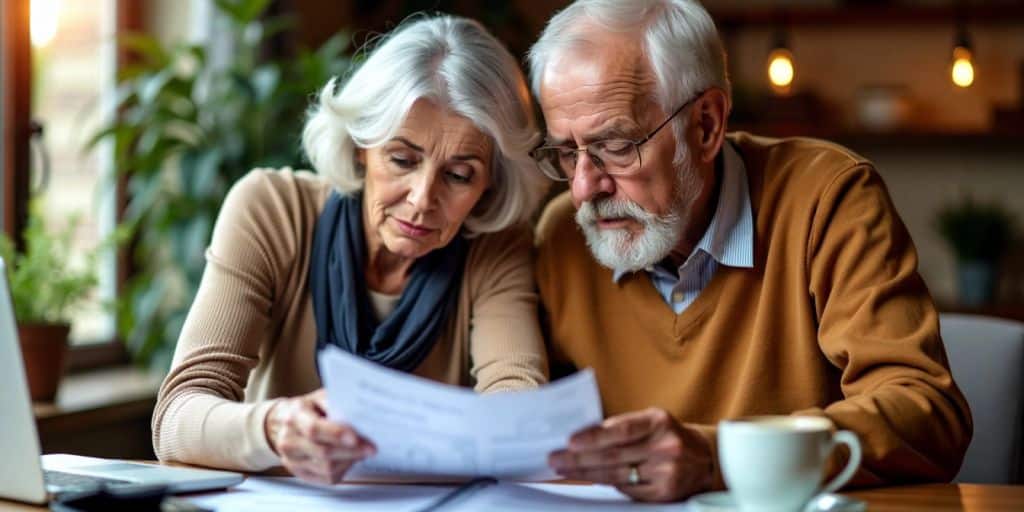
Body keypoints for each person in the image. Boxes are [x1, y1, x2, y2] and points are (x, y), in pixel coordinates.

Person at [528, 0, 972, 502]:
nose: (584, 188)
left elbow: (928, 415)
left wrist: (716, 458)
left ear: (706, 126)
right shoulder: (562, 236)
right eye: (566, 152)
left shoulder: (827, 198)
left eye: (616, 146)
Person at [152, 15, 550, 484]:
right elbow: (177, 417)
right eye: (402, 159)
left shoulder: (495, 248)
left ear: (490, 183)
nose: (423, 199)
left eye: (459, 175)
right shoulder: (273, 209)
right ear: (361, 143)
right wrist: (274, 427)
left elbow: (516, 411)